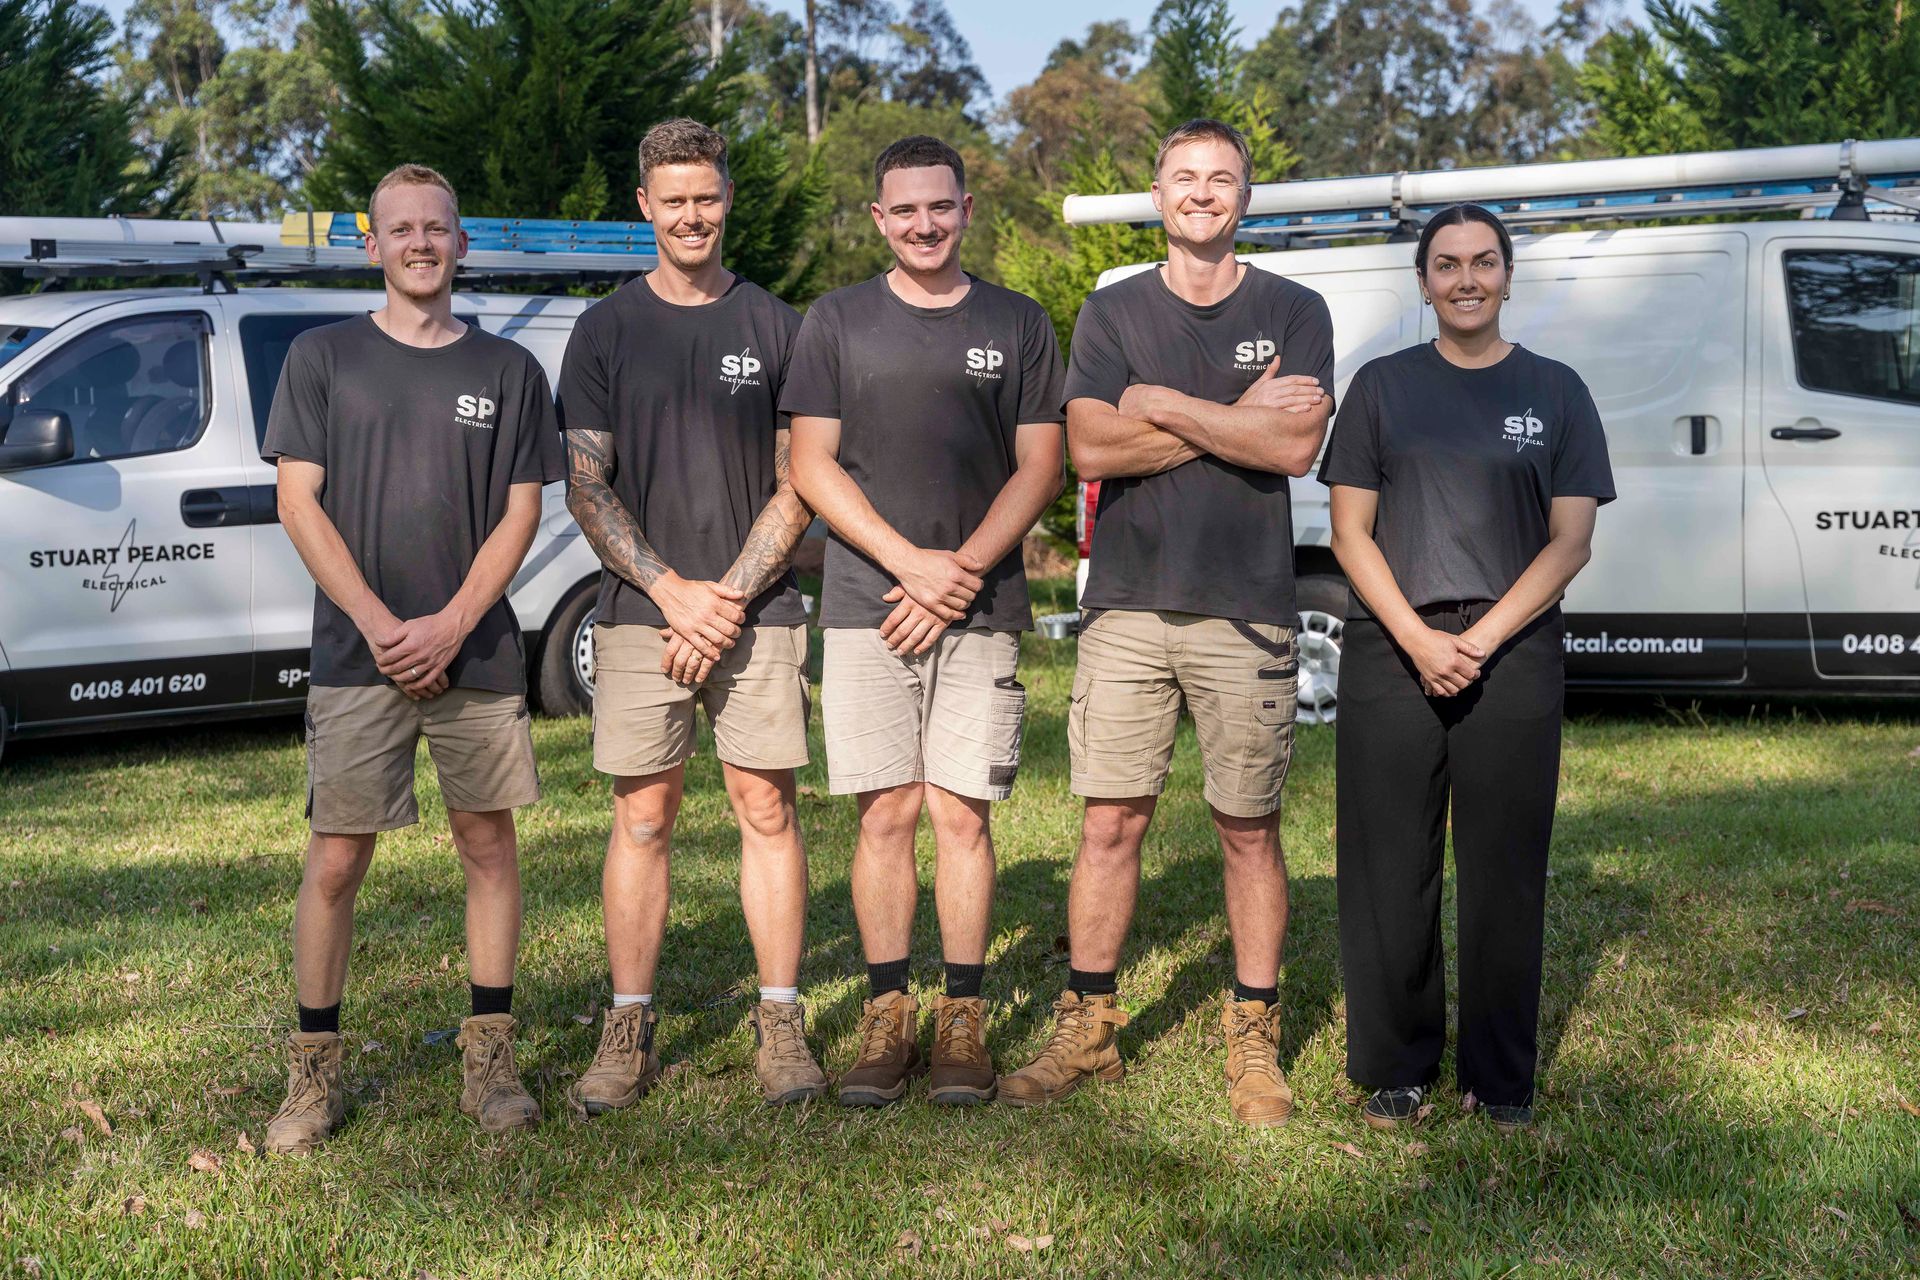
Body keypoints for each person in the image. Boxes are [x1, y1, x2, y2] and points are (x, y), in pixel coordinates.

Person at [1001, 119, 1333, 1128]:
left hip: (1247, 608)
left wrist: (1160, 403)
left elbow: (1294, 449)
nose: (1202, 192)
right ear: (1157, 195)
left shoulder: (1295, 308)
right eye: (1184, 176)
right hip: (1128, 607)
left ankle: (1254, 1035)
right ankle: (1088, 1028)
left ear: (1246, 196)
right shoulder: (1113, 309)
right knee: (1109, 823)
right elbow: (1093, 451)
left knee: (1247, 828)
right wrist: (1237, 411)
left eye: (1221, 177)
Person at [261, 164, 563, 1153]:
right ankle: (313, 1074)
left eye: (437, 228)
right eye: (402, 229)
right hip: (359, 654)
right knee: (337, 857)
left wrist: (450, 623)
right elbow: (298, 501)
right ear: (374, 246)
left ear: (461, 243)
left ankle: (491, 1060)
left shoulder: (510, 370)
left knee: (487, 846)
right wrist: (383, 623)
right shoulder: (322, 357)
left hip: (475, 651)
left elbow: (521, 512)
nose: (421, 243)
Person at [784, 135, 1066, 1108]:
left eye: (940, 206)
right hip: (867, 607)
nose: (924, 224)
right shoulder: (836, 320)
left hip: (979, 607)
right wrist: (910, 565)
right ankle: (887, 1015)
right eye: (904, 209)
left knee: (960, 813)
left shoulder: (1019, 322)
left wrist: (962, 570)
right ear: (878, 218)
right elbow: (810, 463)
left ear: (967, 208)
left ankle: (963, 1018)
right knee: (886, 812)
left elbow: (1042, 465)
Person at [1320, 203, 1614, 1133]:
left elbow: (1571, 541)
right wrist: (1418, 638)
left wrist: (1479, 642)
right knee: (1388, 864)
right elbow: (1349, 532)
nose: (1466, 279)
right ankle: (1397, 1066)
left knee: (1504, 869)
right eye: (1446, 264)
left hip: (1513, 649)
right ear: (1423, 283)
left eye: (1484, 261)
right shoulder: (1381, 387)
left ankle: (1500, 1077)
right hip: (1393, 646)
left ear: (1508, 276)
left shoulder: (1558, 390)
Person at [557, 119, 824, 1109]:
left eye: (706, 196)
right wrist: (674, 591)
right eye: (673, 200)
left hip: (761, 609)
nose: (691, 215)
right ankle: (627, 1026)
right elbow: (587, 484)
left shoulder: (778, 326)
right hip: (642, 614)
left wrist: (728, 598)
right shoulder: (604, 331)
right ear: (645, 206)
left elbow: (801, 481)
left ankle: (781, 1023)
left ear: (728, 197)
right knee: (643, 816)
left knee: (768, 809)